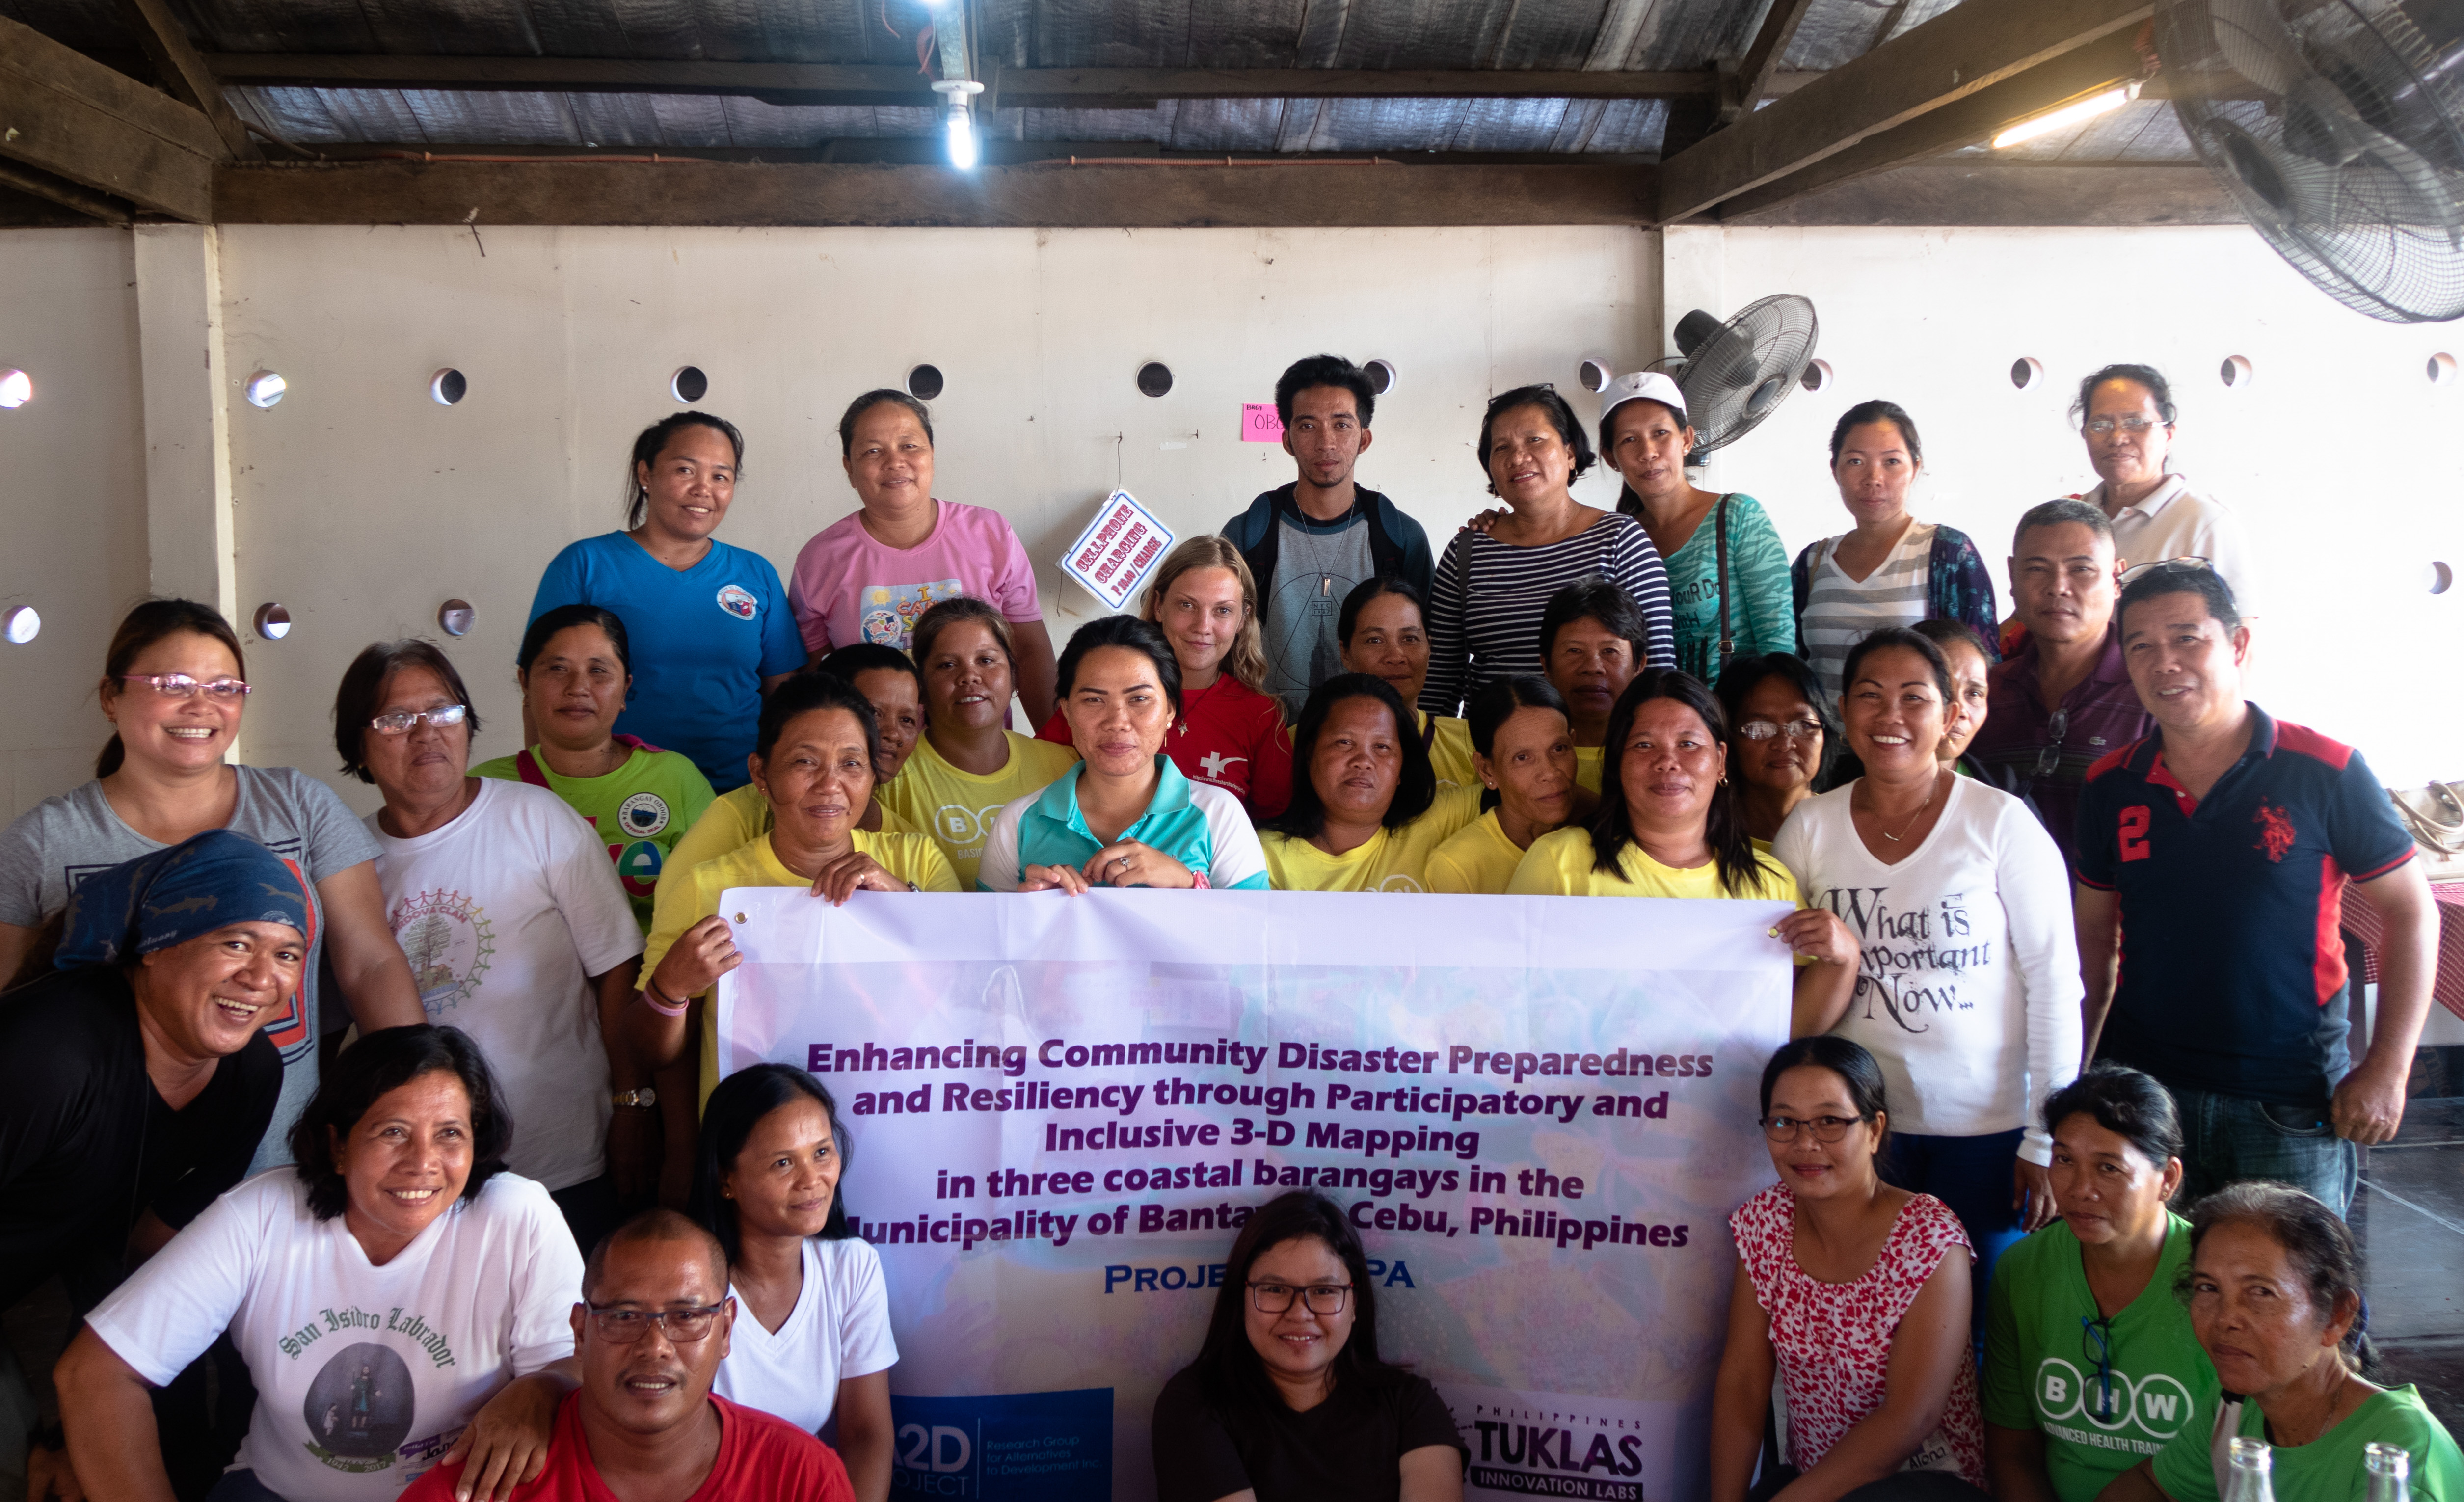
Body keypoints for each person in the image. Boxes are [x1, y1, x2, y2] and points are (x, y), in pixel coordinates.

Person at [58, 1025, 587, 1502]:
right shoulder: (263, 1214)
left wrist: (542, 1386)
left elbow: (580, 1369)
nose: (423, 1162)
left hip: (453, 1495)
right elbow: (95, 1373)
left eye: (450, 1133)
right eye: (393, 1131)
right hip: (278, 1491)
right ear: (337, 1144)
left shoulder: (515, 1215)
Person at [0, 599, 422, 1174]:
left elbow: (371, 964)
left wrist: (419, 1099)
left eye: (225, 688)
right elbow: (16, 1014)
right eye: (173, 685)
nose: (201, 705)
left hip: (278, 1169)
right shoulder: (43, 841)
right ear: (110, 697)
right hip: (103, 1179)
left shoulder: (299, 806)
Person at [2076, 565, 2433, 1214]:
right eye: (2141, 646)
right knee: (2158, 1275)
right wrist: (2079, 1072)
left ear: (2237, 644)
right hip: (2150, 1099)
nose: (2164, 663)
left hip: (2288, 1101)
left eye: (2187, 639)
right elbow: (2093, 938)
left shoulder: (2324, 770)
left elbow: (2412, 913)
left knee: (2291, 1275)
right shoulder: (2109, 785)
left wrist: (2388, 1066)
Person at [1772, 626, 2080, 1319]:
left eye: (1914, 698)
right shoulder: (1810, 829)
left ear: (1949, 715)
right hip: (1855, 1135)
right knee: (1864, 1324)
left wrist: (2045, 1135)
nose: (1891, 716)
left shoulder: (2000, 823)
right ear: (1843, 712)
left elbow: (2055, 981)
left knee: (1980, 1325)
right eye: (1870, 696)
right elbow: (1775, 992)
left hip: (1987, 1133)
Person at [1, 833, 298, 1498]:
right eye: (236, 943)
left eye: (287, 953)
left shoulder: (249, 1073)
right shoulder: (48, 1055)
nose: (262, 977)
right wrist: (40, 1438)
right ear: (155, 947)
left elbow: (148, 1253)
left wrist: (85, 1421)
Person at [341, 639, 649, 1252]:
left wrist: (632, 1105)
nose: (426, 733)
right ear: (358, 747)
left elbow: (617, 968)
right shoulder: (349, 861)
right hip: (420, 1178)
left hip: (563, 1157)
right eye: (396, 719)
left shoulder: (537, 819)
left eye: (444, 711)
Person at [640, 673, 960, 1109]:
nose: (830, 784)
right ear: (761, 773)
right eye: (805, 762)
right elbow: (650, 1052)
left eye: (851, 763)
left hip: (898, 1117)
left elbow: (969, 999)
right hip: (757, 1138)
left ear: (872, 775)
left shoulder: (918, 861)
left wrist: (904, 902)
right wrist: (670, 989)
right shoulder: (709, 889)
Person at [401, 1209, 857, 1502]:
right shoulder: (486, 1483)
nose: (655, 1345)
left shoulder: (800, 1477)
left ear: (726, 1328)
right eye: (624, 1316)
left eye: (686, 1316)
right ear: (581, 1330)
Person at [1709, 1036, 1988, 1502]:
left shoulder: (1929, 1236)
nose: (1806, 1143)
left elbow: (1910, 1417)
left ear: (1875, 1130)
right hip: (1812, 1481)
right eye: (1784, 1122)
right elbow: (1743, 1382)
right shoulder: (1764, 1222)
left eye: (1830, 1122)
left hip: (1926, 1483)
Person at [1509, 671, 1859, 1035]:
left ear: (1721, 760)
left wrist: (1845, 959)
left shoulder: (1769, 885)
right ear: (1617, 762)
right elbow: (1508, 1001)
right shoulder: (1559, 862)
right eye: (1644, 745)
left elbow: (1787, 1032)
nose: (1667, 762)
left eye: (1688, 744)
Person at [2103, 1184, 2463, 1502]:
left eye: (2261, 1292)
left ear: (2337, 1315)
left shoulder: (2399, 1457)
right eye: (2208, 1288)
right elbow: (2152, 1485)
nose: (2225, 1318)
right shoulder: (2236, 1409)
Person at [527, 411, 803, 791]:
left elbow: (783, 697)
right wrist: (542, 791)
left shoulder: (756, 573)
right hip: (612, 794)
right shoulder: (584, 565)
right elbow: (540, 692)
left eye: (721, 476)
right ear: (646, 475)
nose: (704, 489)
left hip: (738, 796)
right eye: (685, 470)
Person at [1983, 1066, 2217, 1502]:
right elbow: (2012, 1449)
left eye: (2109, 1168)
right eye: (2064, 1160)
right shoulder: (2023, 1269)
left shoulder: (2217, 1282)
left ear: (2167, 1179)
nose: (2080, 1189)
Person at [1151, 1189, 1466, 1502]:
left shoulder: (1412, 1407)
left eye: (1324, 1291)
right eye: (1275, 1289)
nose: (1300, 1314)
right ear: (1241, 1298)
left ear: (1354, 1304)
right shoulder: (1194, 1406)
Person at [788, 389, 1057, 724]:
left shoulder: (990, 534)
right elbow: (809, 678)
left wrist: (1054, 745)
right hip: (877, 752)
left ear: (932, 453)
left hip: (979, 749)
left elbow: (1029, 652)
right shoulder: (820, 559)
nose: (895, 462)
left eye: (909, 446)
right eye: (873, 451)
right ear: (849, 467)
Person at [688, 1067, 892, 1500]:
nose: (812, 1180)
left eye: (822, 1152)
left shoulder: (852, 1268)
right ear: (726, 1179)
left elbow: (868, 1436)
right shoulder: (687, 1285)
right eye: (783, 1163)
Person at [1421, 385, 1674, 716]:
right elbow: (1440, 677)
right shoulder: (1466, 552)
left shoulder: (1621, 540)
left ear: (1570, 453)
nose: (1518, 458)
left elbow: (1657, 670)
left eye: (1535, 440)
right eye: (1502, 448)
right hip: (1489, 744)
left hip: (1598, 742)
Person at [474, 604, 718, 932]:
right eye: (558, 668)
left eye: (599, 670)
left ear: (625, 688)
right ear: (525, 683)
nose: (578, 687)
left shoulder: (677, 778)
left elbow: (717, 904)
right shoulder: (483, 788)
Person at [985, 617, 1270, 893]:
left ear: (1170, 710)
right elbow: (987, 926)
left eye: (1139, 699)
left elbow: (1255, 923)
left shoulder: (1218, 814)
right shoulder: (1017, 822)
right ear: (1067, 711)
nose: (1117, 722)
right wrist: (1027, 909)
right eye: (1094, 700)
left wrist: (1188, 883)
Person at [1223, 355, 1435, 717]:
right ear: (1287, 440)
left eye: (1342, 425)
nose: (1326, 442)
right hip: (1267, 733)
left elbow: (1430, 649)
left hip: (1374, 735)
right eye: (1308, 426)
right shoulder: (1246, 535)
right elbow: (1220, 646)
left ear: (1364, 439)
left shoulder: (1401, 537)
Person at [1036, 537, 1294, 818]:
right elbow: (1039, 789)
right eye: (1187, 605)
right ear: (1159, 605)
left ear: (1242, 619)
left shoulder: (1260, 715)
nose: (1203, 626)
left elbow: (1271, 826)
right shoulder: (1097, 697)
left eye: (1223, 610)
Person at [1968, 501, 2149, 872]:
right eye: (2037, 569)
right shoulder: (1984, 693)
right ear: (2012, 576)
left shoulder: (2151, 693)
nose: (2058, 588)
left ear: (2116, 579)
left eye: (2081, 569)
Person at [1791, 401, 1998, 700]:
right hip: (1827, 733)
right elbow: (1795, 669)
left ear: (1916, 468)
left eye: (1891, 462)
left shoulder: (1949, 554)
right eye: (1855, 461)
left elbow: (1981, 673)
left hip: (1912, 732)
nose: (1873, 479)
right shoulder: (1811, 563)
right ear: (1835, 470)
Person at [1599, 370, 1793, 680]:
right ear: (1611, 458)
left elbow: (1778, 644)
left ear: (1687, 440)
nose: (1648, 452)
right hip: (1657, 710)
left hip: (1736, 708)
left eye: (1660, 433)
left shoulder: (1737, 517)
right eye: (1629, 440)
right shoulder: (1620, 541)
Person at [875, 598, 1080, 890]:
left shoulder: (1066, 766)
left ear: (1013, 675)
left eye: (986, 661)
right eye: (947, 665)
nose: (969, 676)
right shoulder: (890, 775)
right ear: (921, 685)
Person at [1255, 676, 1482, 893]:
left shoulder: (1442, 823)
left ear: (1402, 767)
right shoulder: (1262, 857)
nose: (1363, 761)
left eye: (1382, 747)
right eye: (1344, 742)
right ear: (1309, 753)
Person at [2068, 365, 2261, 618]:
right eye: (2100, 425)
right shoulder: (2070, 519)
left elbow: (2239, 635)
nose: (2117, 438)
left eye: (2136, 423)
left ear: (2168, 435)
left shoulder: (2205, 524)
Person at [1425, 677, 1579, 895]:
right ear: (1487, 770)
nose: (1550, 773)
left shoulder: (1603, 836)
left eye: (1559, 749)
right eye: (1522, 757)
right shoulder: (1457, 868)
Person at [1337, 577, 1475, 791]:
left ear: (1430, 647)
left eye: (1410, 639)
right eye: (1375, 640)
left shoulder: (1472, 743)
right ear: (1345, 653)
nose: (1395, 656)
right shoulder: (1298, 743)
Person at [1714, 653, 1837, 847]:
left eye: (1803, 725)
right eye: (1759, 728)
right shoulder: (1703, 840)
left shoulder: (1851, 828)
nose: (1784, 744)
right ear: (1727, 738)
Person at [1538, 580, 1648, 795]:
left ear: (1639, 666)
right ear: (1546, 665)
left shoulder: (1663, 754)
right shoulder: (1509, 748)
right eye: (1574, 651)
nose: (1593, 667)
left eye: (1610, 651)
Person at [1912, 619, 2034, 806]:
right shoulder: (1860, 782)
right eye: (1943, 688)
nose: (1960, 710)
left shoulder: (2004, 793)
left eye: (1975, 693)